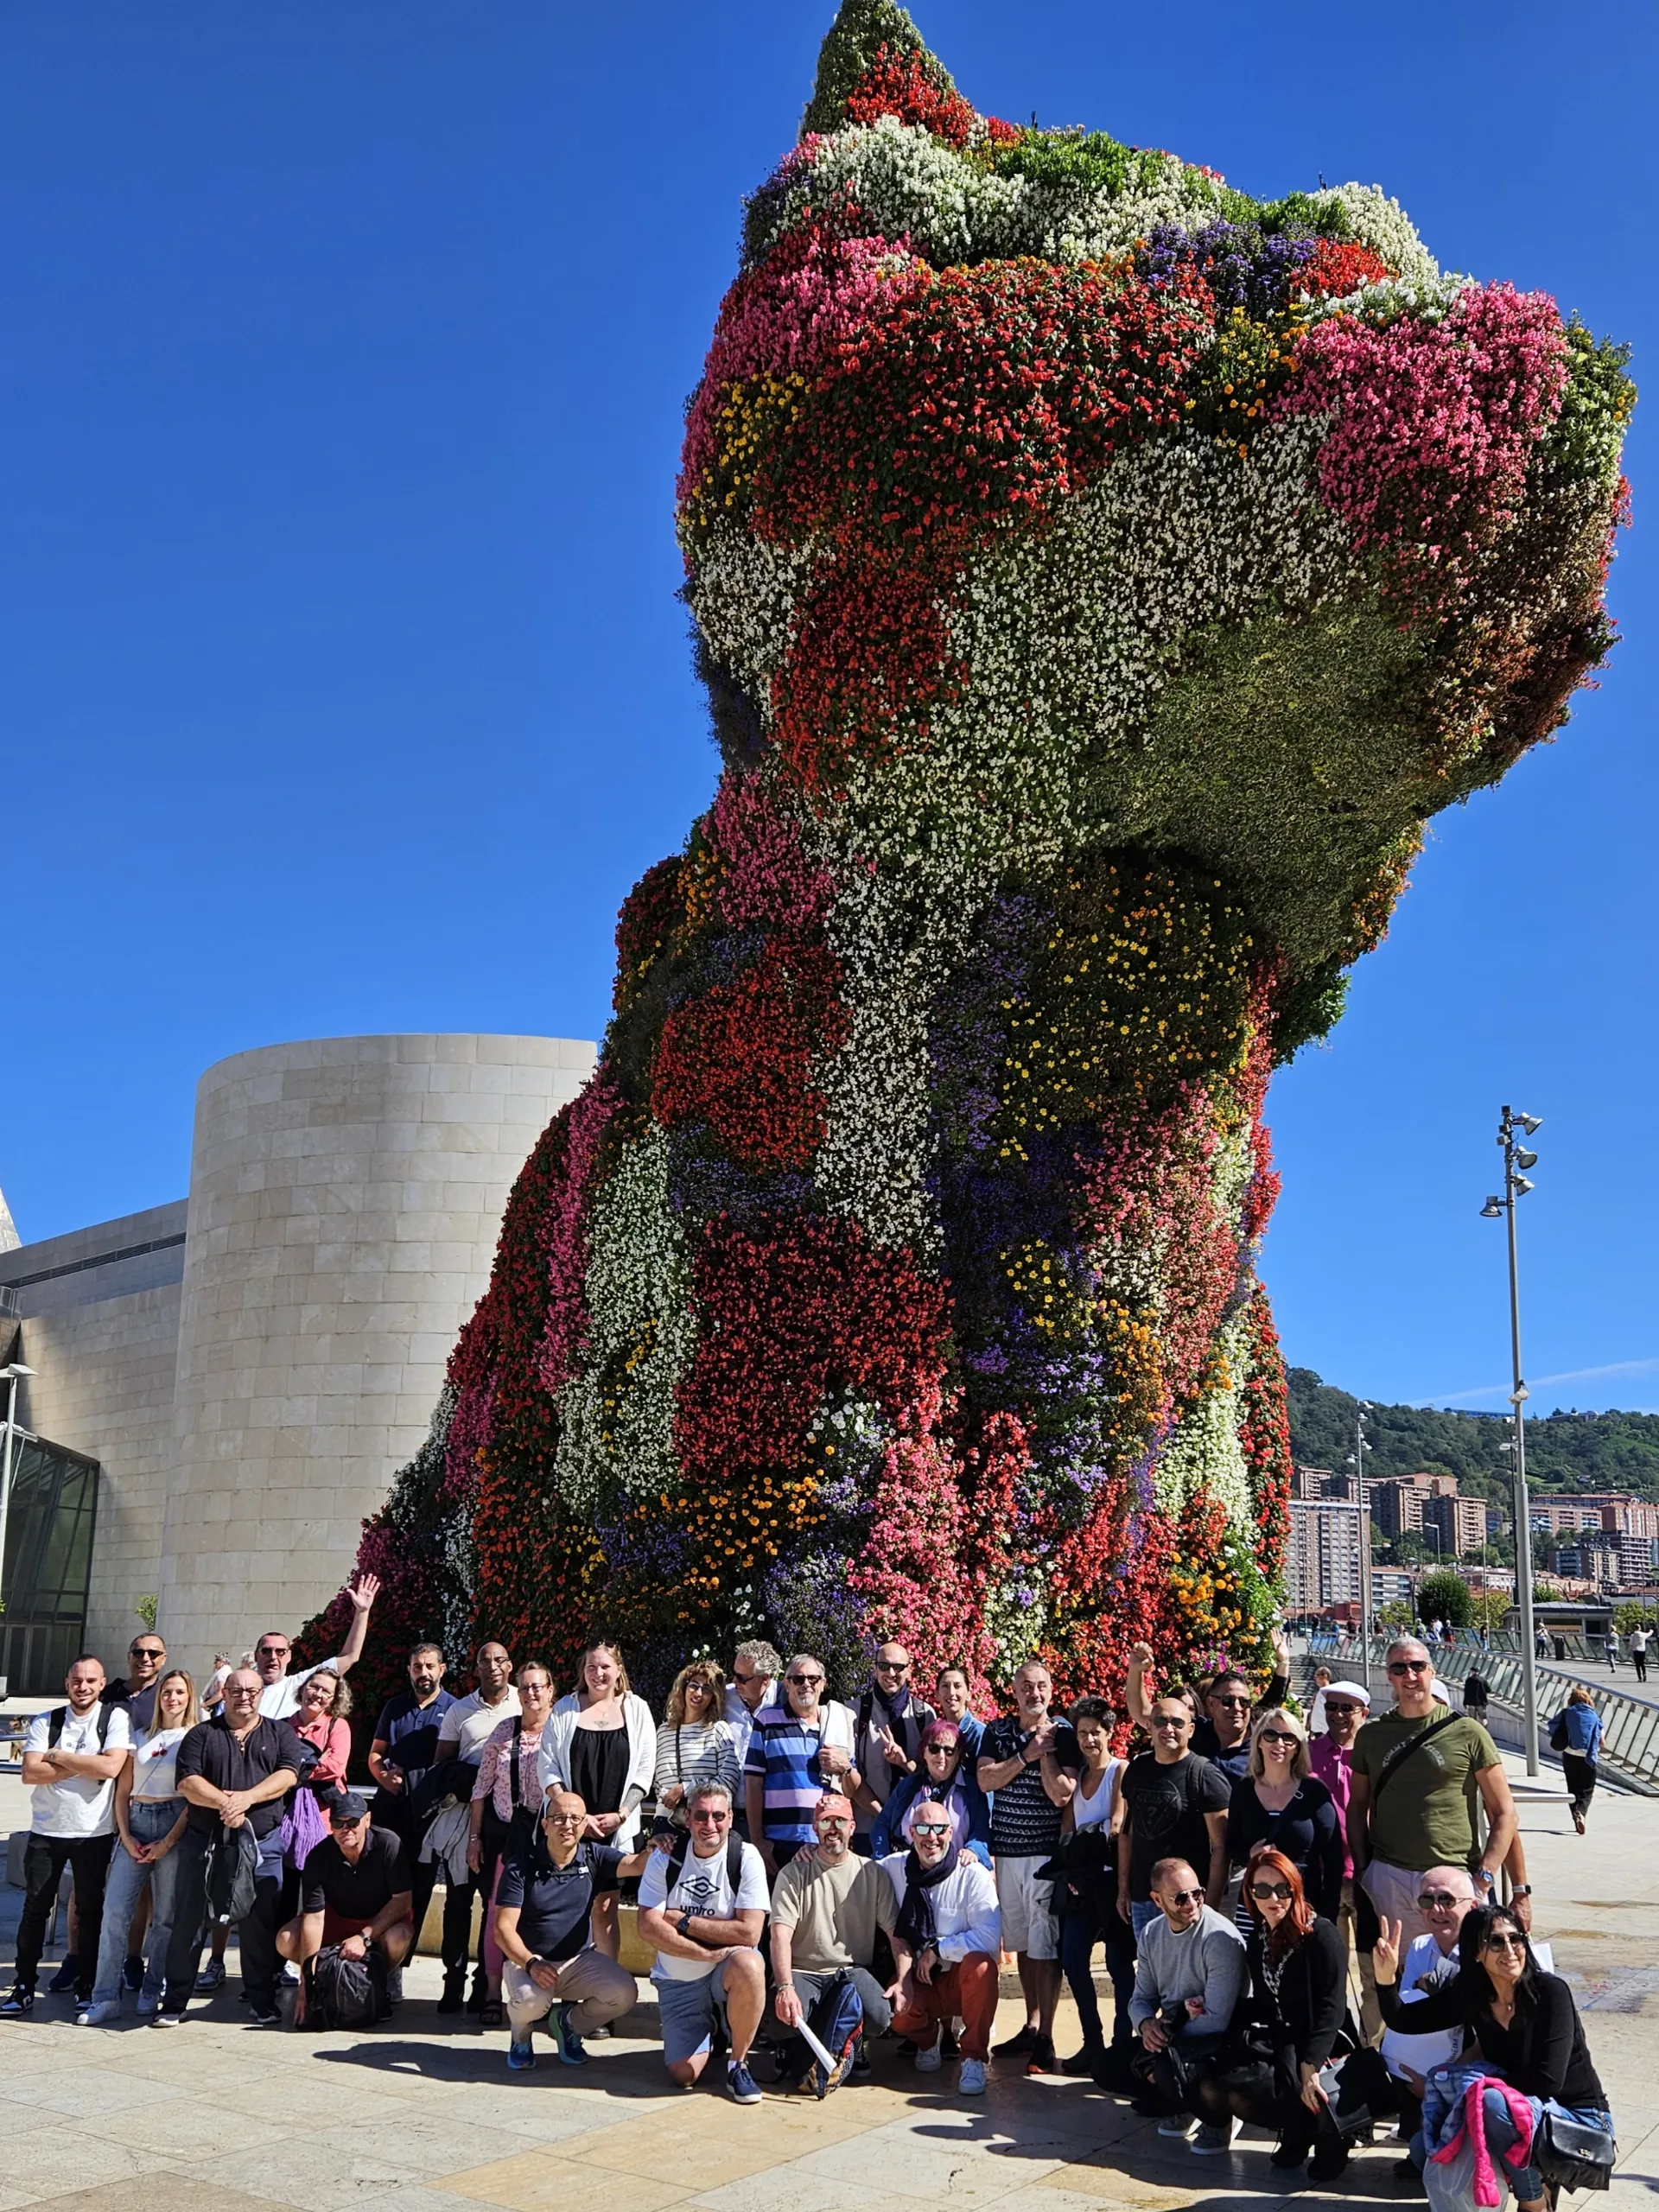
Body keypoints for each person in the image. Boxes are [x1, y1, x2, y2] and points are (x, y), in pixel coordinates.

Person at [190, 1573, 379, 1997]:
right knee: (230, 1885)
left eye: (280, 1651)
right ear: (253, 1657)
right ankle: (219, 1962)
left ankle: (283, 1967)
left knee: (282, 1890)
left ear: (291, 1657)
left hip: (287, 1810)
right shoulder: (241, 1691)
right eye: (266, 1651)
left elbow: (348, 1657)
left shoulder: (300, 1685)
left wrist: (362, 1611)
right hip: (242, 1806)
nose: (273, 1657)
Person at [1375, 1904, 1612, 2210]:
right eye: (1496, 1941)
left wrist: (1475, 2088)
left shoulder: (1550, 1992)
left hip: (1578, 2120)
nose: (1511, 1950)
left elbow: (1548, 2081)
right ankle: (1526, 2177)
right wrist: (1385, 1980)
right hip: (1518, 2108)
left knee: (1489, 2102)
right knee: (1424, 2151)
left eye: (1517, 1939)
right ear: (1475, 1952)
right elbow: (1404, 2020)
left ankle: (1534, 2201)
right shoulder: (1473, 1994)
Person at [1190, 1846, 1352, 2177]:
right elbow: (1266, 2002)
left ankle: (1329, 2136)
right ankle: (1299, 2129)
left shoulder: (1320, 1934)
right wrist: (1214, 2006)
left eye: (1283, 1889)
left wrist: (1312, 2064)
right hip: (1281, 2035)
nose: (1273, 1898)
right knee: (1221, 2082)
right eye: (1262, 1890)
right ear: (1250, 1893)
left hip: (1321, 2039)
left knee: (1292, 2084)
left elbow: (1332, 2007)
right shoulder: (1260, 1938)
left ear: (1296, 1888)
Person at [1349, 1637, 1517, 1948]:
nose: (1409, 1675)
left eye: (1417, 1666)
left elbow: (1504, 1811)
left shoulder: (1468, 1731)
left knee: (1465, 1971)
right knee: (1400, 1977)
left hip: (1455, 1875)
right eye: (1399, 1667)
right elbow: (1357, 1806)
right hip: (1390, 1876)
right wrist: (1364, 1871)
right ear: (1389, 1675)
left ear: (1432, 1671)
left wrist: (1484, 1878)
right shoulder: (1371, 1735)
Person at [160, 1667, 306, 2024]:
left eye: (252, 1691)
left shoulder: (280, 1732)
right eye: (237, 1690)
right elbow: (188, 1781)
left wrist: (246, 1799)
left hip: (261, 1844)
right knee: (190, 1920)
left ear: (261, 1694)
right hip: (205, 1842)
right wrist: (226, 1804)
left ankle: (261, 2001)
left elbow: (288, 1775)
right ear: (224, 1693)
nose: (245, 1697)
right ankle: (175, 2002)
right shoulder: (201, 1734)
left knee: (259, 1922)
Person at [1, 1656, 131, 2018]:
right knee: (34, 1911)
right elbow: (30, 1772)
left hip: (94, 1832)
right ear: (67, 1681)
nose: (83, 1686)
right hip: (47, 1831)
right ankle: (23, 1985)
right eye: (77, 1679)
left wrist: (57, 1757)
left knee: (91, 1913)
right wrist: (84, 1763)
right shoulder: (48, 1720)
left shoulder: (113, 1719)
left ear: (102, 1683)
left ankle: (85, 1986)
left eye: (91, 1680)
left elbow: (110, 1767)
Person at [1334, 1863, 1478, 2166]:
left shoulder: (1485, 1953)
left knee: (1423, 2154)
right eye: (1427, 1900)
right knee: (1357, 2071)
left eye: (1447, 1900)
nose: (1436, 1909)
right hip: (1420, 2062)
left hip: (1469, 2071)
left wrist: (1439, 2081)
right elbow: (1406, 2014)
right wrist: (1385, 1978)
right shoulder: (1420, 1946)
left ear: (1473, 1906)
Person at [636, 1781, 770, 2103]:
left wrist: (684, 1921)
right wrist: (705, 1951)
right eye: (701, 1816)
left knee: (750, 1964)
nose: (709, 1825)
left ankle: (738, 2064)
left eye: (718, 1816)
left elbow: (750, 1933)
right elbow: (648, 1926)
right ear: (687, 1817)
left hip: (726, 1968)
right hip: (679, 1980)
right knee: (683, 2074)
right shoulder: (665, 1856)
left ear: (731, 1817)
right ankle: (717, 2027)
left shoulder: (745, 1856)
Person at [976, 1657, 1078, 2073]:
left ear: (1050, 1690)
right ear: (1014, 1691)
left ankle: (1047, 2037)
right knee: (1022, 1946)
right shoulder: (997, 1731)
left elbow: (1062, 1794)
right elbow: (985, 1780)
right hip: (1008, 1853)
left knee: (1046, 1946)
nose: (1033, 1693)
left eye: (1041, 1686)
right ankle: (1032, 2026)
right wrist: (1026, 1753)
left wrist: (1046, 1752)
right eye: (1025, 1686)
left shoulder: (1066, 1733)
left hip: (1044, 1856)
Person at [493, 1787, 644, 2069]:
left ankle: (568, 2024)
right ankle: (521, 2037)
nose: (568, 1825)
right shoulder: (522, 1865)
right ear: (546, 1825)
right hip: (528, 1961)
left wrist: (658, 1845)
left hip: (578, 1961)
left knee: (624, 1993)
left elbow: (636, 1865)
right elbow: (503, 1929)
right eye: (560, 1818)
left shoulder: (594, 1856)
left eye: (576, 1819)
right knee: (530, 2000)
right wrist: (531, 1963)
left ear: (585, 1825)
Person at [83, 1669, 195, 2024]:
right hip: (137, 1819)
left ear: (190, 1696)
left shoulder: (195, 1737)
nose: (172, 1698)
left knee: (165, 1917)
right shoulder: (138, 1736)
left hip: (174, 1819)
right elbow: (123, 1789)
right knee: (115, 1912)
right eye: (166, 1692)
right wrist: (126, 1835)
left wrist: (168, 1841)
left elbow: (193, 1797)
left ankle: (152, 1987)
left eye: (179, 1692)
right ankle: (104, 1996)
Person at [540, 1640, 656, 1973]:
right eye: (591, 1667)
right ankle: (565, 1989)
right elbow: (547, 1767)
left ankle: (606, 1994)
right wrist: (573, 1817)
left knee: (605, 1910)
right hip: (570, 1829)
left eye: (605, 1666)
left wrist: (621, 1815)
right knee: (568, 1908)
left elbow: (645, 1768)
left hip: (614, 1829)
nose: (598, 1673)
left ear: (619, 1670)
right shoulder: (564, 1708)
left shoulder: (637, 1710)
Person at [769, 1791, 898, 2082]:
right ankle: (789, 2046)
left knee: (880, 2016)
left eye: (840, 1821)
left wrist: (904, 1979)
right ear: (815, 1829)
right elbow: (779, 1934)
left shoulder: (872, 1872)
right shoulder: (793, 1872)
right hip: (803, 1970)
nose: (833, 1830)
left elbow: (895, 1934)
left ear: (853, 1827)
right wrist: (785, 1986)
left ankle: (855, 2043)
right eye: (826, 1823)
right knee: (781, 2015)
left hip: (851, 1971)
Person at [880, 1796, 1002, 2096]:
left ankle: (972, 2056)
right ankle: (927, 2040)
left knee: (982, 1966)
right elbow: (850, 1871)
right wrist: (810, 1851)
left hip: (958, 1982)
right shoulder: (894, 1868)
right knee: (896, 2010)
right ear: (911, 1833)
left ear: (951, 1832)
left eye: (938, 1828)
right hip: (920, 1982)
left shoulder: (971, 1874)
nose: (931, 1837)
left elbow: (990, 1937)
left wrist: (939, 1949)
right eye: (922, 1829)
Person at [1127, 1854, 1248, 2151]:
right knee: (1111, 2067)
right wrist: (1146, 2026)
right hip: (1177, 2030)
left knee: (1165, 2066)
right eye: (1181, 1897)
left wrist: (1163, 2039)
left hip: (1223, 2039)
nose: (1192, 1903)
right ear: (1157, 1900)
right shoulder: (1152, 1934)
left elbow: (1217, 2020)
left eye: (1198, 1893)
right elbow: (1140, 1998)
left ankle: (1219, 2118)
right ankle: (1186, 2104)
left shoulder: (1219, 1938)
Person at [1050, 1695, 1135, 2088]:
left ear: (1109, 1732)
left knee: (1120, 1968)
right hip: (1081, 1885)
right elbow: (1067, 1829)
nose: (1088, 1740)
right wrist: (1073, 1861)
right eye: (1082, 1733)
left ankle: (1122, 2043)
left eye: (1095, 1733)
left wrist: (1087, 1849)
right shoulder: (1081, 1777)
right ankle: (1093, 2041)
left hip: (1111, 1883)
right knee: (1072, 1959)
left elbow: (1116, 1825)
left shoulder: (1121, 1770)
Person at [432, 1638, 518, 2008]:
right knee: (457, 1903)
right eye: (486, 1660)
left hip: (504, 1819)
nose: (493, 1666)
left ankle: (486, 1987)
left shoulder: (524, 1702)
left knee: (495, 1906)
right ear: (477, 1667)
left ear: (510, 1665)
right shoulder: (459, 1711)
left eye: (500, 1659)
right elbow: (442, 1765)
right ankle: (452, 1986)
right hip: (464, 1815)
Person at [468, 1659, 556, 2026]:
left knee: (546, 1914)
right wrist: (474, 1838)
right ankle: (491, 1990)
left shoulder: (563, 1729)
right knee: (496, 1913)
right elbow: (481, 1787)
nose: (531, 1693)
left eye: (538, 1686)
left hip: (552, 1837)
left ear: (551, 1690)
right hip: (508, 1834)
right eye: (524, 1687)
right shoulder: (505, 1730)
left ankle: (548, 1993)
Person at [278, 1791, 414, 2024]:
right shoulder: (318, 1856)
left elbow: (402, 1900)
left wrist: (364, 1937)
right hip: (336, 1921)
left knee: (399, 1936)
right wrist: (306, 1984)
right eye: (338, 1823)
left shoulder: (388, 1844)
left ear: (367, 1820)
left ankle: (380, 1980)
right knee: (286, 1938)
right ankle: (327, 1979)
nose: (346, 1829)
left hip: (377, 1925)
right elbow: (314, 1918)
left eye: (353, 1822)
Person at [368, 1643, 457, 1993]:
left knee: (418, 1892)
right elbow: (376, 1753)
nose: (423, 1673)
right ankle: (374, 1963)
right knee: (383, 1888)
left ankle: (396, 1970)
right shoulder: (395, 1707)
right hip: (390, 1813)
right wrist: (382, 1776)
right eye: (417, 1666)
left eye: (430, 1666)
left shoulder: (454, 1709)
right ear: (409, 1670)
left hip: (430, 1817)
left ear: (442, 1669)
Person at [1118, 1695, 1231, 1935]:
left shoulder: (1205, 1775)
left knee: (1187, 1971)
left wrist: (1208, 1907)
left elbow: (1221, 1848)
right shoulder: (1136, 1769)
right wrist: (1123, 1889)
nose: (1169, 1729)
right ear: (1149, 1726)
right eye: (1161, 1721)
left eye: (1178, 1723)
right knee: (1152, 1970)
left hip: (1187, 1902)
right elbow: (1127, 1834)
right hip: (1143, 1899)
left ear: (1190, 1730)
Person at [1226, 1708, 1343, 1928]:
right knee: (1254, 1960)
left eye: (1288, 1737)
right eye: (1271, 1735)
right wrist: (1249, 1854)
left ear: (1298, 1747)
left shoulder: (1315, 1793)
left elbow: (1333, 1859)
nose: (1279, 1743)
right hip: (1256, 1905)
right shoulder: (1243, 1790)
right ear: (1259, 1741)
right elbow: (1232, 1844)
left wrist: (1328, 1915)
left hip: (1304, 1906)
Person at [745, 1651, 860, 1875]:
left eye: (813, 1679)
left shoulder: (837, 1725)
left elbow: (852, 1790)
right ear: (787, 1685)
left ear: (823, 1684)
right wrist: (758, 1840)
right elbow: (753, 1784)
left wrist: (845, 1767)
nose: (805, 1684)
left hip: (825, 1840)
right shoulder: (767, 1721)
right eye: (798, 1679)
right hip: (778, 1843)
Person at [1308, 1677, 1379, 2040]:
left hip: (1368, 1876)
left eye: (1346, 1708)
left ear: (1363, 1713)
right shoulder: (1308, 1752)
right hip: (1325, 1877)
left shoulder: (1373, 1754)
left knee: (1372, 1969)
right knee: (1329, 1970)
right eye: (1331, 1707)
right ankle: (1336, 2044)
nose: (1337, 1715)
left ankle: (1375, 2048)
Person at [871, 1719, 991, 1866]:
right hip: (907, 1872)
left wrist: (973, 1850)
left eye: (949, 1750)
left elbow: (982, 1830)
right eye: (934, 1749)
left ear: (958, 1754)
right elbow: (882, 1824)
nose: (941, 1756)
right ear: (924, 1752)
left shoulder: (973, 1790)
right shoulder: (908, 1787)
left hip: (955, 1873)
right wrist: (882, 1859)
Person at [851, 1642, 936, 1848]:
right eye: (883, 1666)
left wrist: (904, 1762)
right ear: (874, 1668)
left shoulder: (924, 1715)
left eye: (898, 1667)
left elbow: (932, 1773)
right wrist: (885, 1817)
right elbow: (849, 1775)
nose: (891, 1673)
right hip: (868, 1828)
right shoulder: (854, 1712)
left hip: (916, 1830)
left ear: (908, 1669)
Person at [653, 1660, 742, 1829]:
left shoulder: (718, 1730)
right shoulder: (664, 1731)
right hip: (665, 1822)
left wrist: (685, 1789)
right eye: (694, 1686)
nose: (698, 1693)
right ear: (684, 1688)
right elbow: (658, 1781)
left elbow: (729, 1781)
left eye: (707, 1689)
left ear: (713, 1697)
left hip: (705, 1822)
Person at [723, 1638, 783, 1779]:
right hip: (729, 1794)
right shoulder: (724, 1698)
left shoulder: (784, 1701)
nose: (734, 1681)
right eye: (734, 1674)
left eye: (742, 1678)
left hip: (767, 1795)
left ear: (765, 1679)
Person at [1551, 1686, 1603, 1835]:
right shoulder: (1594, 1716)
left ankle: (1575, 1814)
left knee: (1572, 1787)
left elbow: (1552, 1728)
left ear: (1570, 1700)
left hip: (1569, 1754)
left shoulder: (1566, 1713)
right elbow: (1602, 1741)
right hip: (1588, 1757)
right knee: (1587, 1789)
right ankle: (1581, 1811)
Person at [933, 1663, 985, 1758]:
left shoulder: (979, 1734)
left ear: (968, 1694)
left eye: (957, 1686)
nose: (951, 1692)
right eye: (945, 1686)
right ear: (937, 1694)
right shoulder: (935, 1733)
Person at [1309, 1665, 1333, 1736]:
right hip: (1317, 1730)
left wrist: (1325, 1731)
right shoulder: (1321, 1691)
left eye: (1317, 1675)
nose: (1315, 1678)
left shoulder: (1328, 1692)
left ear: (1325, 1676)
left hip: (1323, 1731)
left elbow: (1328, 1711)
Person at [1630, 1620, 1650, 1684]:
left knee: (1637, 1665)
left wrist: (1629, 1650)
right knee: (1642, 1663)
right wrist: (1651, 1631)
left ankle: (1640, 1678)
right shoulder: (1643, 1634)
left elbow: (1631, 1643)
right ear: (1640, 1628)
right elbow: (1649, 1634)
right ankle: (1644, 1674)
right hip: (1642, 1650)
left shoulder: (1632, 1635)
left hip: (1636, 1650)